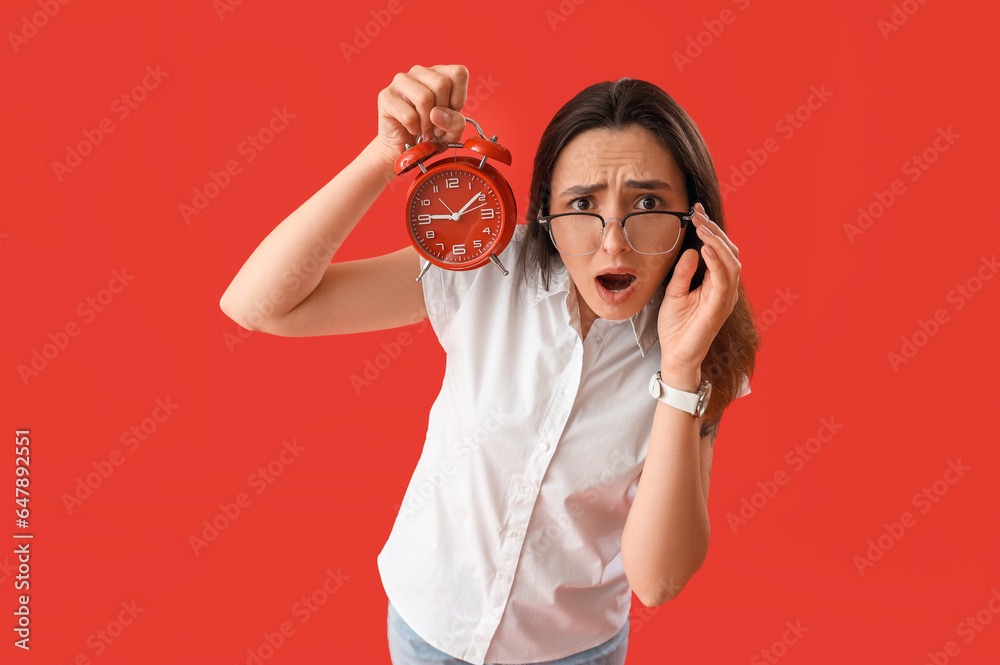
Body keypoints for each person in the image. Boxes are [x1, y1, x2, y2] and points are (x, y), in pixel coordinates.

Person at [220, 64, 759, 665]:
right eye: (582, 203)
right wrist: (383, 155)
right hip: (430, 624)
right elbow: (258, 307)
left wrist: (682, 371)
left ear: (695, 219)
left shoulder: (700, 340)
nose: (613, 242)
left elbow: (657, 581)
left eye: (648, 202)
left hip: (571, 650)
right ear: (546, 214)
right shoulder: (487, 264)